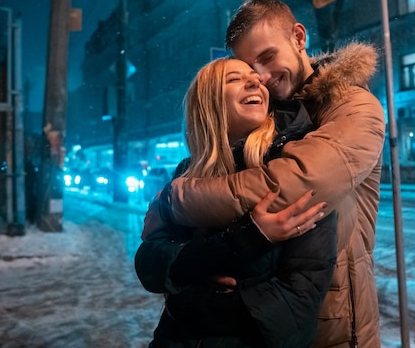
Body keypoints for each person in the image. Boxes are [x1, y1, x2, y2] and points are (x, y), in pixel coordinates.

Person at [144, 0, 386, 347]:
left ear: (299, 38)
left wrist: (174, 199)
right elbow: (155, 260)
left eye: (267, 57)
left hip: (334, 328)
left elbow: (292, 185)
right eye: (247, 67)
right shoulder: (264, 129)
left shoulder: (354, 107)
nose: (261, 77)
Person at [136, 57, 338, 347]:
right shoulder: (187, 173)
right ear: (208, 103)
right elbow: (149, 263)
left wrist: (188, 304)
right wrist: (244, 240)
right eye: (234, 79)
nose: (256, 80)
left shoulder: (293, 168)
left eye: (255, 77)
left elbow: (297, 301)